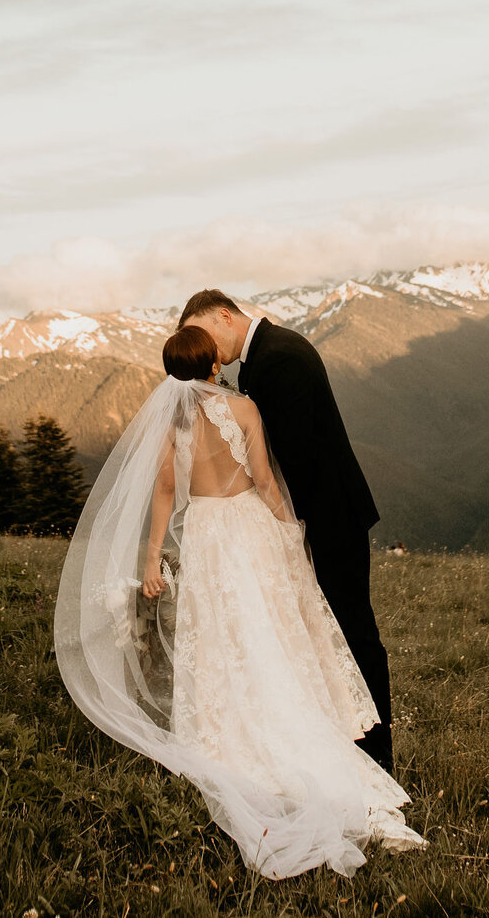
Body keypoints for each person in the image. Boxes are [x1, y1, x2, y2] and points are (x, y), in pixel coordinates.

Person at [54, 325, 424, 879]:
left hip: (203, 534)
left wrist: (151, 558)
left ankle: (228, 731)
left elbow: (162, 493)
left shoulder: (170, 421)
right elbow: (266, 481)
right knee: (272, 626)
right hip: (248, 526)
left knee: (221, 634)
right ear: (212, 364)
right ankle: (301, 726)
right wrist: (289, 529)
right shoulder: (244, 408)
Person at [178, 288, 393, 771]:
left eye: (206, 335)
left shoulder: (279, 359)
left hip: (330, 518)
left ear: (226, 317)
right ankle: (347, 739)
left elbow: (297, 458)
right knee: (332, 630)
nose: (208, 350)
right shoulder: (266, 356)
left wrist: (287, 527)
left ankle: (377, 754)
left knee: (354, 633)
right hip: (324, 514)